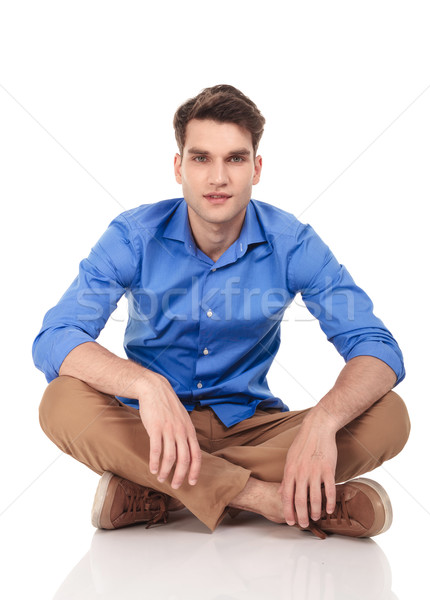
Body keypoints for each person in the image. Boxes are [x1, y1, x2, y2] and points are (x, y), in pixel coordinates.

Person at [33, 84, 410, 539]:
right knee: (61, 402)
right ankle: (273, 498)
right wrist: (146, 386)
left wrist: (323, 422)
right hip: (150, 427)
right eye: (201, 158)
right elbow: (57, 336)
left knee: (388, 415)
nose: (218, 178)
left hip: (254, 427)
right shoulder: (134, 235)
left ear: (257, 168)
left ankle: (159, 490)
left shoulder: (292, 243)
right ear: (178, 167)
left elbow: (376, 346)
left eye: (235, 158)